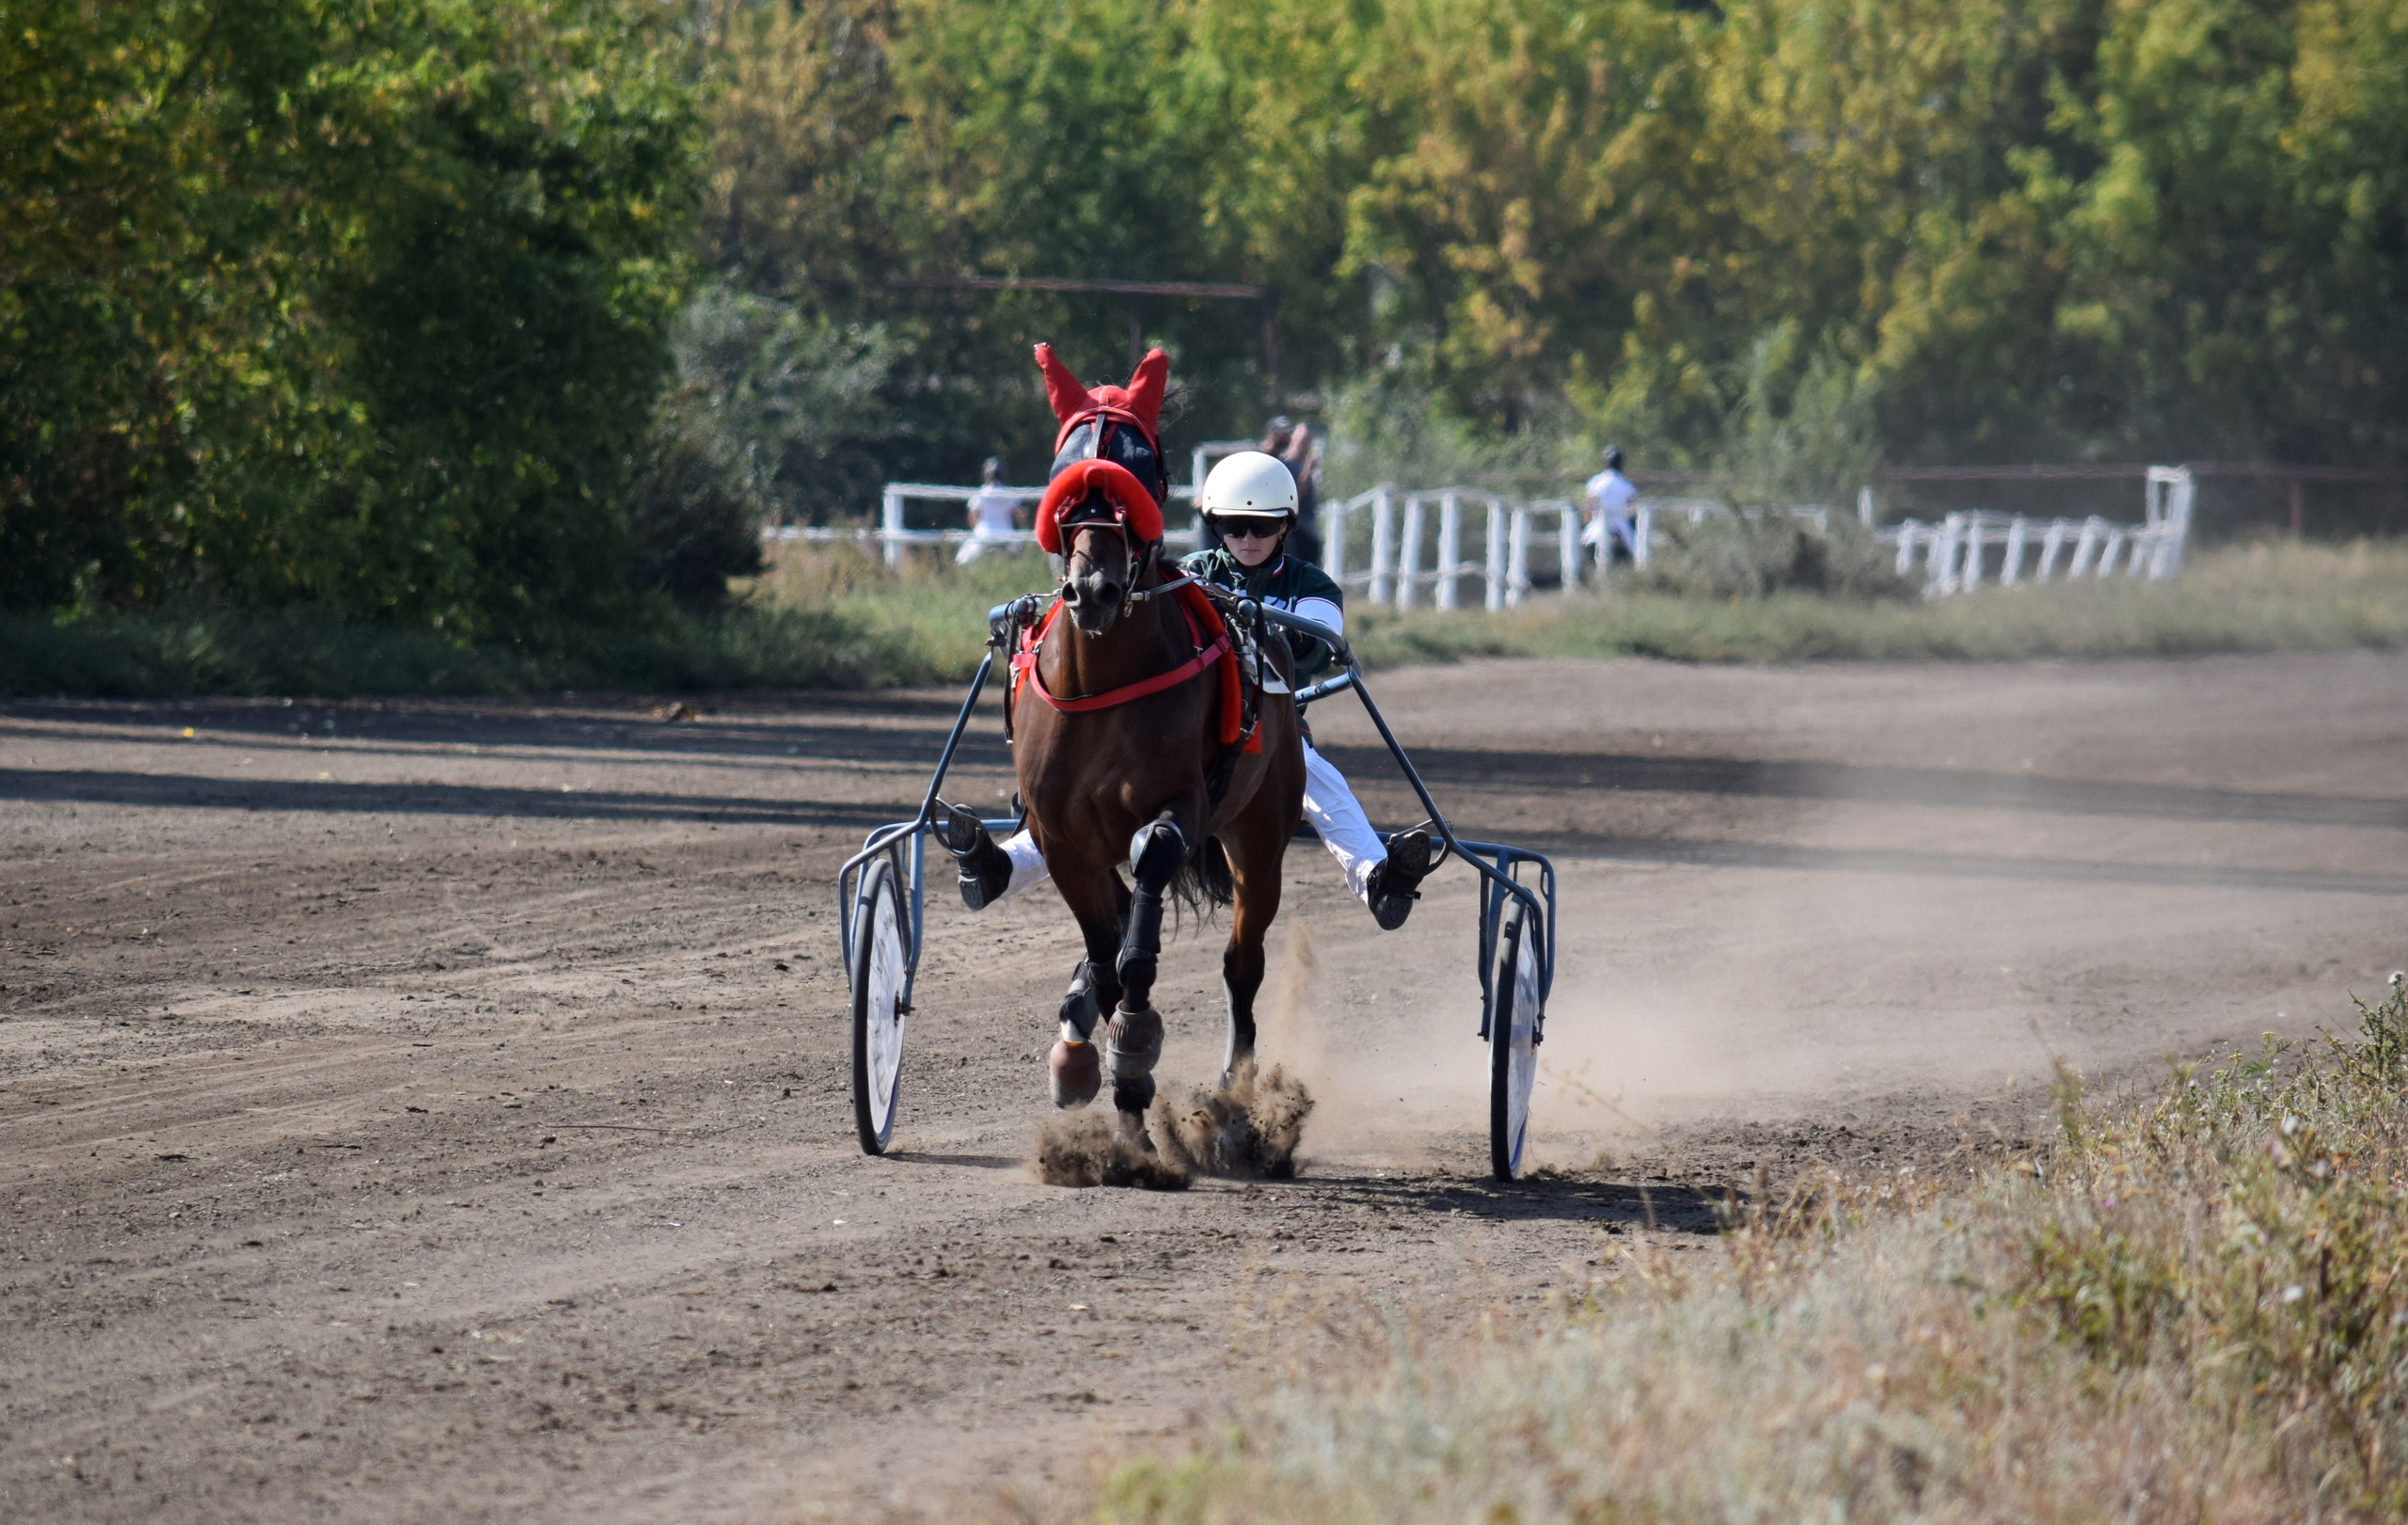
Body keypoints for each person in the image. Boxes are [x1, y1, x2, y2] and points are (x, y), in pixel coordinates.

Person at [949, 448, 1434, 931]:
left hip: (1269, 733)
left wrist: (1258, 627)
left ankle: (1376, 878)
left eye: (1261, 528)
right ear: (1214, 526)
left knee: (1316, 779)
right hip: (1174, 735)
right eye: (1231, 527)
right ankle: (1000, 869)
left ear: (1285, 525)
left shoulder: (1313, 585)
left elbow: (1311, 649)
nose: (1246, 539)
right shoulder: (1190, 574)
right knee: (1075, 802)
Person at [1260, 417, 1324, 565]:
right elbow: (1293, 498)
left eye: (1308, 440)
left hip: (1308, 528)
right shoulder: (1285, 465)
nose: (1305, 443)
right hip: (1295, 530)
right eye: (1302, 439)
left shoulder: (1304, 466)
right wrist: (1307, 471)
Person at [1581, 445, 1640, 565]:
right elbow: (1632, 507)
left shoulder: (1596, 482)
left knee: (1584, 544)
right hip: (1620, 523)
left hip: (1599, 522)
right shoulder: (1626, 484)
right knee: (1636, 550)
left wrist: (1585, 523)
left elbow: (1589, 505)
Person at [956, 457, 1021, 564]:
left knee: (961, 561)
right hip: (1006, 536)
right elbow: (1019, 517)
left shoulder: (980, 493)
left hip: (984, 535)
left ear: (986, 475)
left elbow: (972, 519)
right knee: (1019, 558)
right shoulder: (1010, 494)